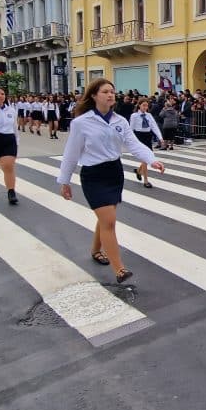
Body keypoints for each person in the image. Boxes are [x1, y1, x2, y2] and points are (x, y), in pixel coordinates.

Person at [58, 79, 164, 285]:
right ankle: (119, 269)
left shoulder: (120, 121)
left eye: (112, 92)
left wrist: (152, 160)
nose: (110, 95)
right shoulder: (81, 123)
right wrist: (65, 181)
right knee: (109, 221)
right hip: (93, 175)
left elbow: (134, 144)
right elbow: (71, 154)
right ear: (94, 96)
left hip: (114, 173)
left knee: (106, 218)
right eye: (105, 91)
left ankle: (96, 250)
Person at [129, 99, 163, 189]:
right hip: (139, 137)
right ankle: (146, 180)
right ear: (139, 105)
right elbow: (130, 129)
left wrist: (160, 138)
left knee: (147, 158)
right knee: (145, 159)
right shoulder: (134, 116)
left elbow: (154, 126)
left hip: (148, 137)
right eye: (143, 105)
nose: (145, 107)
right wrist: (129, 141)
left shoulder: (149, 115)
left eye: (147, 106)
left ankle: (138, 171)